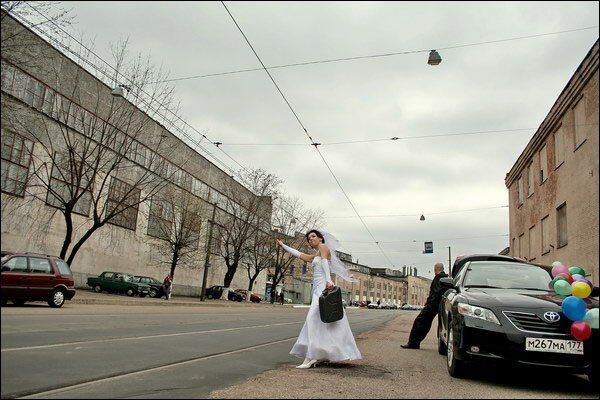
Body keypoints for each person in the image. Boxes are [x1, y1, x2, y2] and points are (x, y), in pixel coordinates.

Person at [277, 229, 361, 369]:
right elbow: (299, 255)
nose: (310, 239)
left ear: (321, 238)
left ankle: (310, 357)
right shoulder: (316, 253)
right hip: (317, 289)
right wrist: (283, 245)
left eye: (313, 236)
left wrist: (329, 281)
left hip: (323, 288)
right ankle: (322, 355)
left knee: (312, 320)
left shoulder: (323, 248)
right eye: (309, 238)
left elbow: (324, 265)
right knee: (324, 324)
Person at [401, 263, 448, 349]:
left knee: (420, 321)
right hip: (441, 304)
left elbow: (436, 293)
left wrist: (429, 303)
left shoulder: (438, 277)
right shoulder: (445, 278)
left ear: (435, 269)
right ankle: (415, 342)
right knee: (428, 323)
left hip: (433, 305)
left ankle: (413, 343)